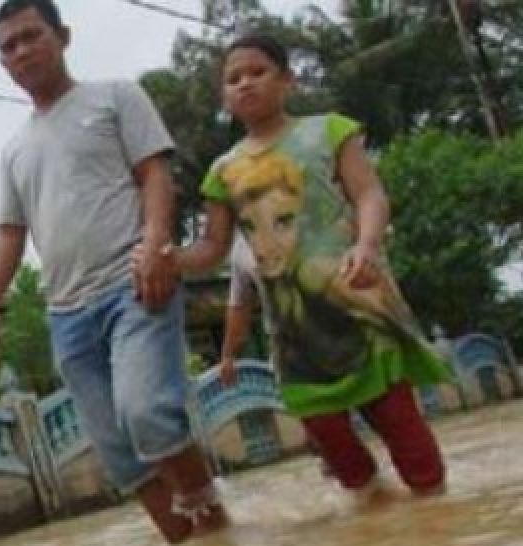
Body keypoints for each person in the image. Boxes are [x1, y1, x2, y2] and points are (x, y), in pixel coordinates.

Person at [0, 0, 228, 545]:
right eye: (8, 46)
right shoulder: (14, 152)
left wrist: (156, 244)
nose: (21, 51)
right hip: (66, 311)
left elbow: (154, 172)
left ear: (63, 36)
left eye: (30, 36)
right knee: (118, 453)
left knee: (147, 415)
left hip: (133, 283)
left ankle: (217, 527)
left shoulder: (115, 97)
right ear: (2, 63)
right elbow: (10, 232)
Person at [169, 32, 450, 500]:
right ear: (224, 97)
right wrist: (167, 259)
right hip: (297, 335)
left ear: (287, 80)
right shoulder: (222, 171)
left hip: (361, 304)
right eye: (233, 78)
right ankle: (377, 519)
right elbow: (213, 250)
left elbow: (369, 193)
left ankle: (437, 519)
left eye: (257, 72)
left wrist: (366, 242)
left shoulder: (330, 130)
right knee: (332, 441)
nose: (245, 84)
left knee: (402, 427)